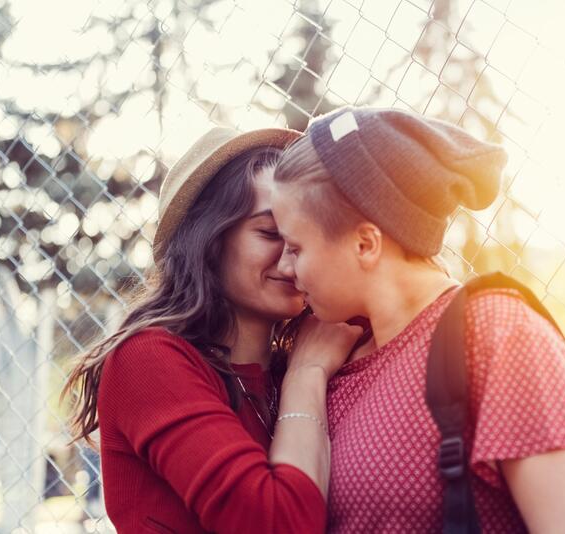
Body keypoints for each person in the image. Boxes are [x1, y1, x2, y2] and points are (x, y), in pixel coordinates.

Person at [271, 107, 565, 533]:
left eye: (295, 247)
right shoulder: (336, 357)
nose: (285, 267)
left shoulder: (497, 333)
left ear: (365, 244)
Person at [63, 127, 364, 533]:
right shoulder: (147, 361)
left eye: (303, 235)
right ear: (208, 239)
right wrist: (306, 375)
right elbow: (277, 524)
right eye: (271, 233)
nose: (293, 256)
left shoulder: (307, 356)